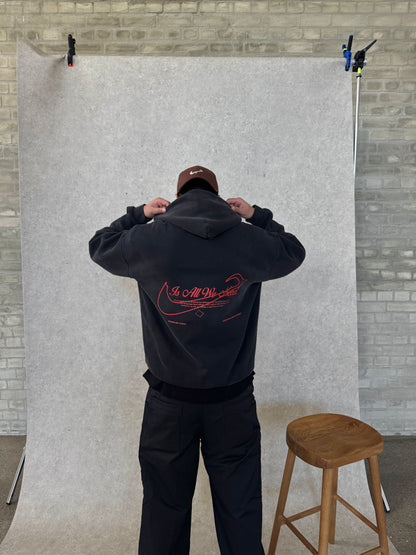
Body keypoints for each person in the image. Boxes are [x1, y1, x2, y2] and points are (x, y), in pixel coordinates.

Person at [89, 165, 305, 555]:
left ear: (178, 196)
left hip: (169, 404)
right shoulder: (249, 239)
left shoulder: (147, 240)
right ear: (219, 198)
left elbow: (100, 244)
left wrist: (140, 213)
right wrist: (256, 215)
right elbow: (293, 250)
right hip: (232, 401)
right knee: (239, 510)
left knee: (164, 511)